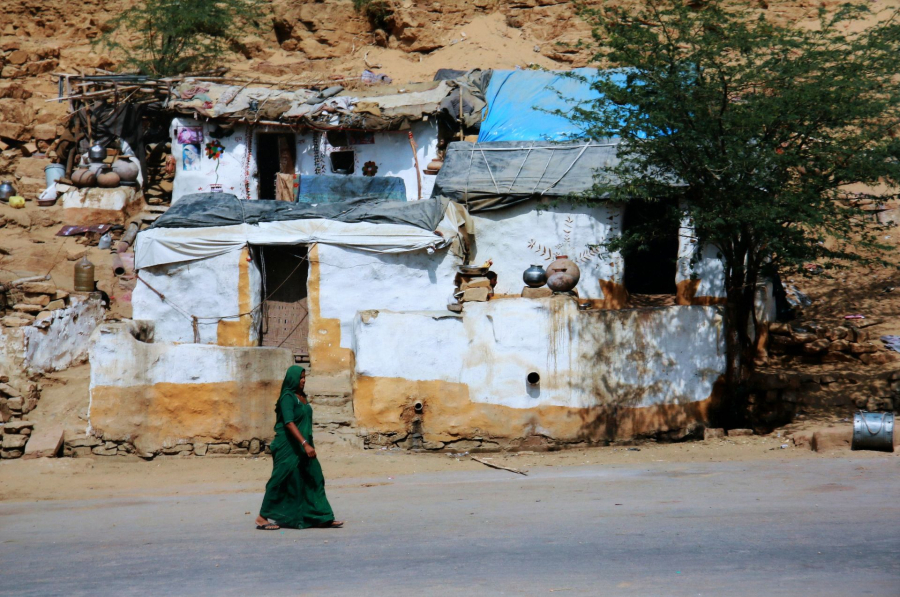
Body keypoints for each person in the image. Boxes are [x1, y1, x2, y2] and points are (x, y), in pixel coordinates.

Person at [256, 365, 344, 530]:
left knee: (314, 478)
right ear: (292, 379)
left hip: (304, 446)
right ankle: (262, 517)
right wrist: (304, 443)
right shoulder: (287, 397)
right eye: (300, 378)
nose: (303, 381)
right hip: (288, 447)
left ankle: (321, 516)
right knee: (280, 479)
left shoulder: (302, 397)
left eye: (304, 378)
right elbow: (289, 422)